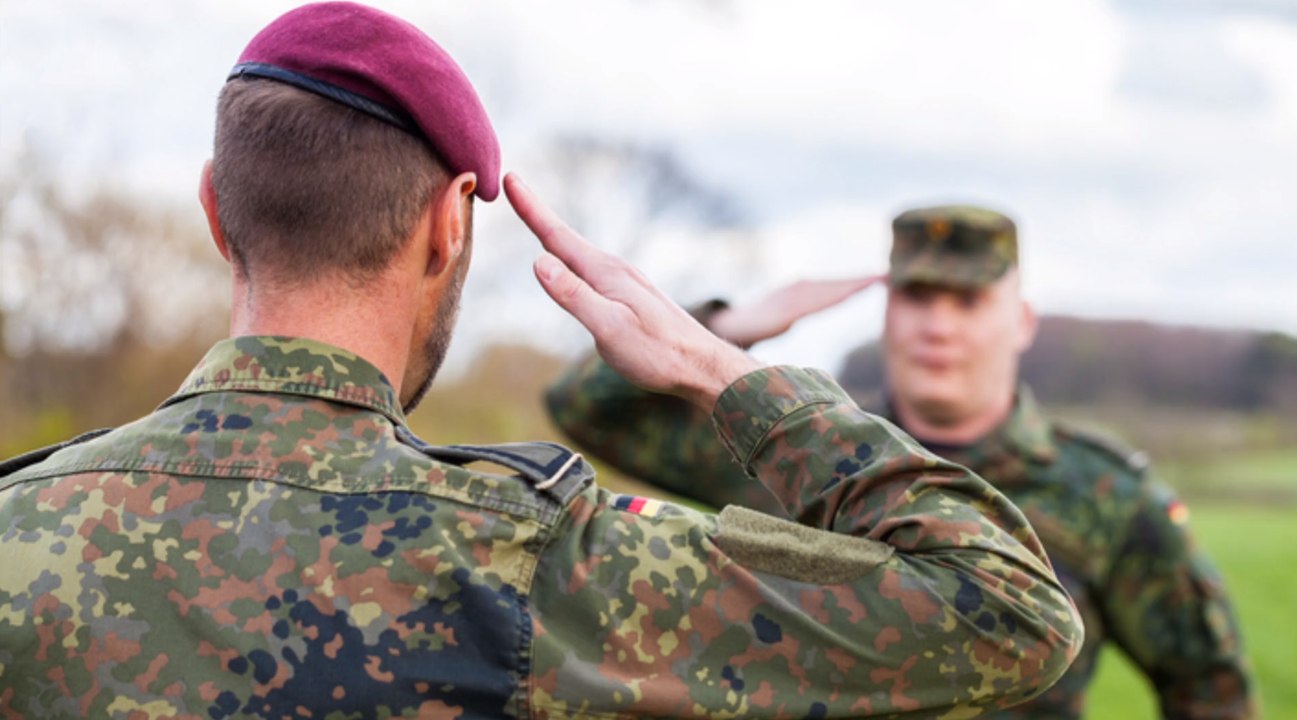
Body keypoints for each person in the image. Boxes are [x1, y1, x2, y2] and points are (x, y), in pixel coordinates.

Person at [0, 4, 1084, 717]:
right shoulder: (523, 563)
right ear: (446, 227)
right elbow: (1006, 610)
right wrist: (729, 376)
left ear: (213, 210)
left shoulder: (18, 529)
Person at [547, 205, 1254, 719]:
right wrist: (722, 334)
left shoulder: (1103, 492)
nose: (938, 325)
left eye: (968, 299)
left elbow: (1209, 688)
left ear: (1022, 323)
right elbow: (586, 406)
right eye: (916, 296)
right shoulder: (798, 447)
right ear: (885, 313)